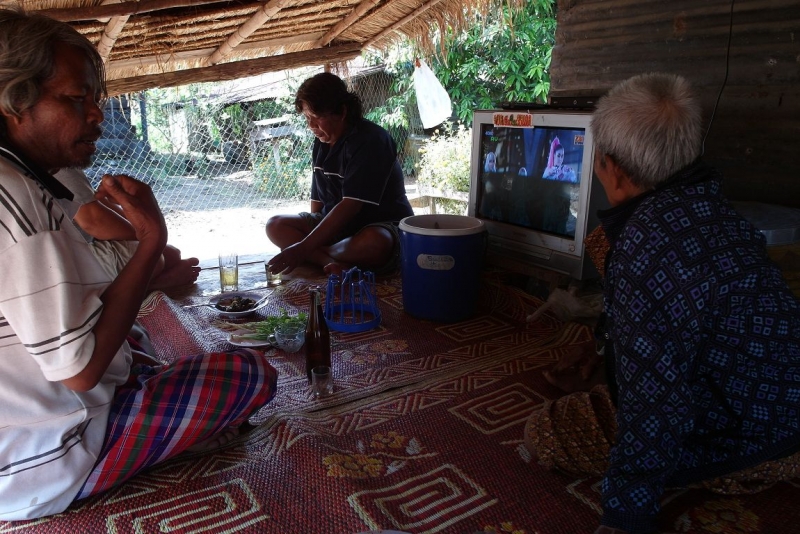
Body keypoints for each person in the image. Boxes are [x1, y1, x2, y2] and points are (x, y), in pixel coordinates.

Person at [0, 8, 277, 520]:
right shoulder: (13, 194)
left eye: (96, 100)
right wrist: (151, 238)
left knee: (136, 343)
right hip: (45, 459)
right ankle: (115, 455)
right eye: (76, 99)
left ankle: (145, 405)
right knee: (248, 373)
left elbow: (84, 294)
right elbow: (81, 371)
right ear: (16, 103)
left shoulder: (38, 176)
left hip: (20, 428)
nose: (96, 116)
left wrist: (145, 256)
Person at [524, 72, 800, 534]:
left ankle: (731, 479)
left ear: (611, 168)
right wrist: (606, 350)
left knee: (546, 432)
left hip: (757, 440)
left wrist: (624, 516)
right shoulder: (717, 211)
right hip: (784, 403)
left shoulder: (641, 249)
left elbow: (657, 406)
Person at [265, 72, 414, 277]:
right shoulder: (322, 142)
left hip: (381, 225)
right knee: (276, 225)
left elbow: (351, 206)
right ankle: (330, 261)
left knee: (375, 244)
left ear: (342, 112)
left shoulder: (371, 140)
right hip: (338, 232)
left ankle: (320, 255)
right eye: (307, 118)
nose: (311, 126)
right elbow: (317, 204)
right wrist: (311, 234)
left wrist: (303, 247)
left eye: (316, 118)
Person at [55, 167, 202, 291]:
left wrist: (145, 233)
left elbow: (97, 204)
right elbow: (94, 221)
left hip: (73, 246)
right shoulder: (57, 161)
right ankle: (153, 286)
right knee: (157, 258)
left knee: (170, 254)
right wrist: (149, 236)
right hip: (64, 255)